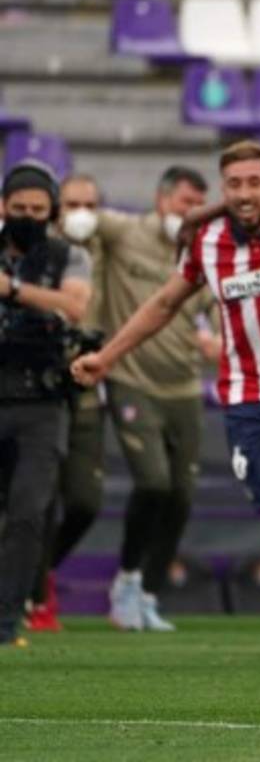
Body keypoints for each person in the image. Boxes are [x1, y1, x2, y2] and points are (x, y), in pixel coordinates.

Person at [72, 141, 260, 666]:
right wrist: (106, 356)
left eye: (254, 182)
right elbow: (166, 303)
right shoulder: (208, 241)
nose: (243, 193)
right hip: (249, 403)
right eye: (232, 184)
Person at [81, 167, 220, 633]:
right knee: (154, 482)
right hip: (131, 377)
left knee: (181, 496)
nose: (189, 213)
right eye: (184, 202)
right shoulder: (126, 231)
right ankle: (125, 579)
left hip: (183, 385)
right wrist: (76, 215)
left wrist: (215, 338)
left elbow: (214, 310)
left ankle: (146, 591)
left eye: (197, 205)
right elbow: (82, 220)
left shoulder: (200, 251)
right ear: (161, 199)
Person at [0, 161, 93, 648]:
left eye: (38, 210)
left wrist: (13, 290)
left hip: (42, 399)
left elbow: (74, 306)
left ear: (52, 212)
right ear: (3, 208)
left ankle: (6, 620)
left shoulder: (68, 256)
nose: (28, 217)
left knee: (28, 512)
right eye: (19, 209)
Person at [26, 173, 107, 632]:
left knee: (84, 500)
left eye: (89, 204)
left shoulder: (109, 249)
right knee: (35, 498)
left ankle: (32, 571)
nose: (81, 212)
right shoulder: (41, 255)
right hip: (40, 387)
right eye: (72, 203)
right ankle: (36, 594)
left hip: (88, 388)